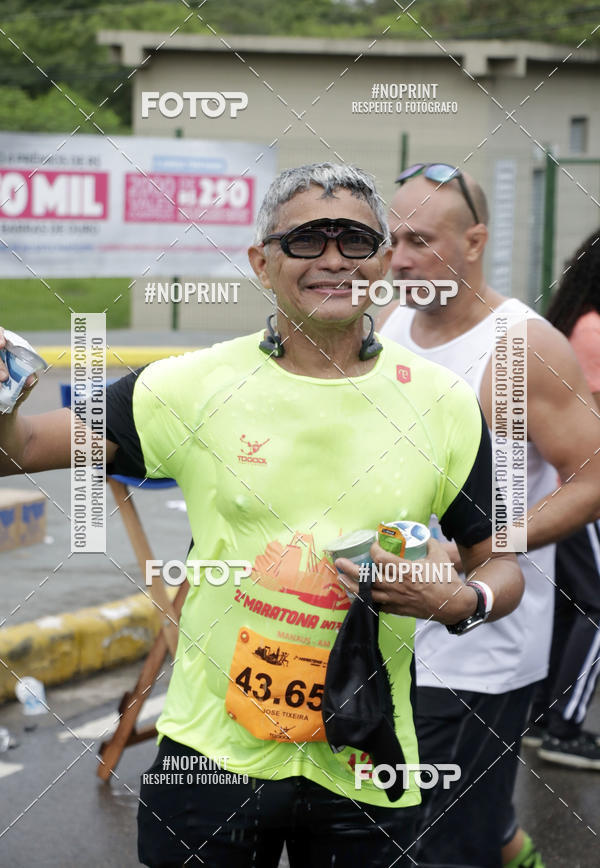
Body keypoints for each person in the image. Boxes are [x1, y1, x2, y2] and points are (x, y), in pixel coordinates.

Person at [0, 162, 524, 868]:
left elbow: (503, 559)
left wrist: (464, 599)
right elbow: (25, 447)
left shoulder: (442, 402)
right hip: (214, 752)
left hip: (364, 755)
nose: (334, 259)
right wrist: (6, 392)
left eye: (356, 241)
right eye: (307, 240)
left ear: (380, 262)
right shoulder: (190, 385)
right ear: (261, 261)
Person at [378, 163, 600, 868]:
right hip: (388, 630)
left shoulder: (525, 345)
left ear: (474, 241)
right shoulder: (388, 325)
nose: (400, 258)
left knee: (442, 845)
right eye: (391, 239)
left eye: (421, 240)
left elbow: (593, 478)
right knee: (411, 823)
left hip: (482, 643)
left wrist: (488, 543)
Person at [526, 229, 600, 768]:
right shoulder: (593, 330)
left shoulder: (576, 323)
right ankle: (566, 727)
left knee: (575, 606)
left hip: (565, 487)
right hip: (581, 490)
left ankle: (542, 718)